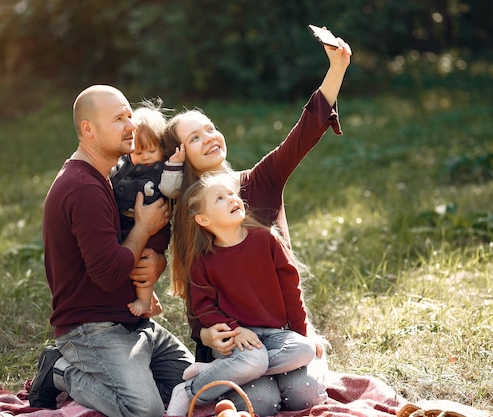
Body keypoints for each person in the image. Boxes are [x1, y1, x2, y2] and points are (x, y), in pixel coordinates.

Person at [162, 35, 352, 415]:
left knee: (304, 396)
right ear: (181, 155)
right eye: (194, 138)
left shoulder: (258, 182)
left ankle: (288, 365)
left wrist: (337, 69)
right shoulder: (188, 214)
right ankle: (215, 380)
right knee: (261, 401)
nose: (209, 138)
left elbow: (302, 136)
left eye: (210, 128)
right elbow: (197, 294)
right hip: (233, 342)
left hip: (282, 332)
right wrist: (206, 333)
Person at [28, 85, 194, 417]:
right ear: (88, 129)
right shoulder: (83, 188)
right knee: (144, 411)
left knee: (197, 387)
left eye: (130, 116)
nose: (131, 126)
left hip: (132, 321)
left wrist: (157, 259)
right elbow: (109, 273)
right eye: (119, 119)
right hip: (91, 327)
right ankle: (60, 370)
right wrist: (144, 228)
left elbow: (125, 252)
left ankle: (135, 371)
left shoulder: (108, 176)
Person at [165, 173, 322, 416]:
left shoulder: (266, 240)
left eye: (231, 194)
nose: (231, 199)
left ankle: (220, 370)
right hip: (238, 341)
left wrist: (302, 332)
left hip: (276, 338)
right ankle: (188, 390)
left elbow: (291, 290)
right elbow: (204, 308)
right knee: (261, 403)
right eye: (220, 197)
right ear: (204, 219)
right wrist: (233, 328)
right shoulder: (203, 261)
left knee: (304, 355)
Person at [109, 102, 185, 316]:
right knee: (127, 259)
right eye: (138, 151)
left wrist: (175, 166)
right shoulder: (123, 164)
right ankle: (147, 298)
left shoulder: (163, 169)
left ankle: (145, 300)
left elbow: (171, 191)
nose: (146, 157)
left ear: (162, 148)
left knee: (143, 259)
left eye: (152, 150)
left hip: (155, 228)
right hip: (126, 222)